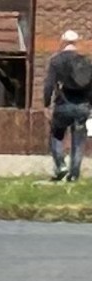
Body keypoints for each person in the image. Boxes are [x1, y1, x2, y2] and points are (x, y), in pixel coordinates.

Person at [48, 30, 92, 181]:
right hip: (82, 107)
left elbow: (49, 85)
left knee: (56, 134)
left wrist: (47, 103)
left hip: (62, 105)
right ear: (77, 43)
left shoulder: (55, 61)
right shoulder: (86, 61)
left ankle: (60, 165)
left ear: (63, 42)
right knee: (79, 140)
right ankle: (74, 175)